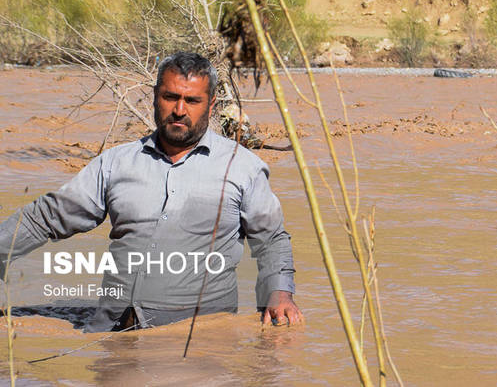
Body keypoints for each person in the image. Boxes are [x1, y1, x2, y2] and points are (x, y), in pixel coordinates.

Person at [0, 52, 302, 331]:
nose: (179, 110)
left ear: (210, 106)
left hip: (202, 340)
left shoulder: (243, 167)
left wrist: (279, 294)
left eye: (192, 101)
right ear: (156, 98)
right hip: (111, 331)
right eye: (170, 97)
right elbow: (49, 217)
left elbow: (271, 239)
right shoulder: (116, 163)